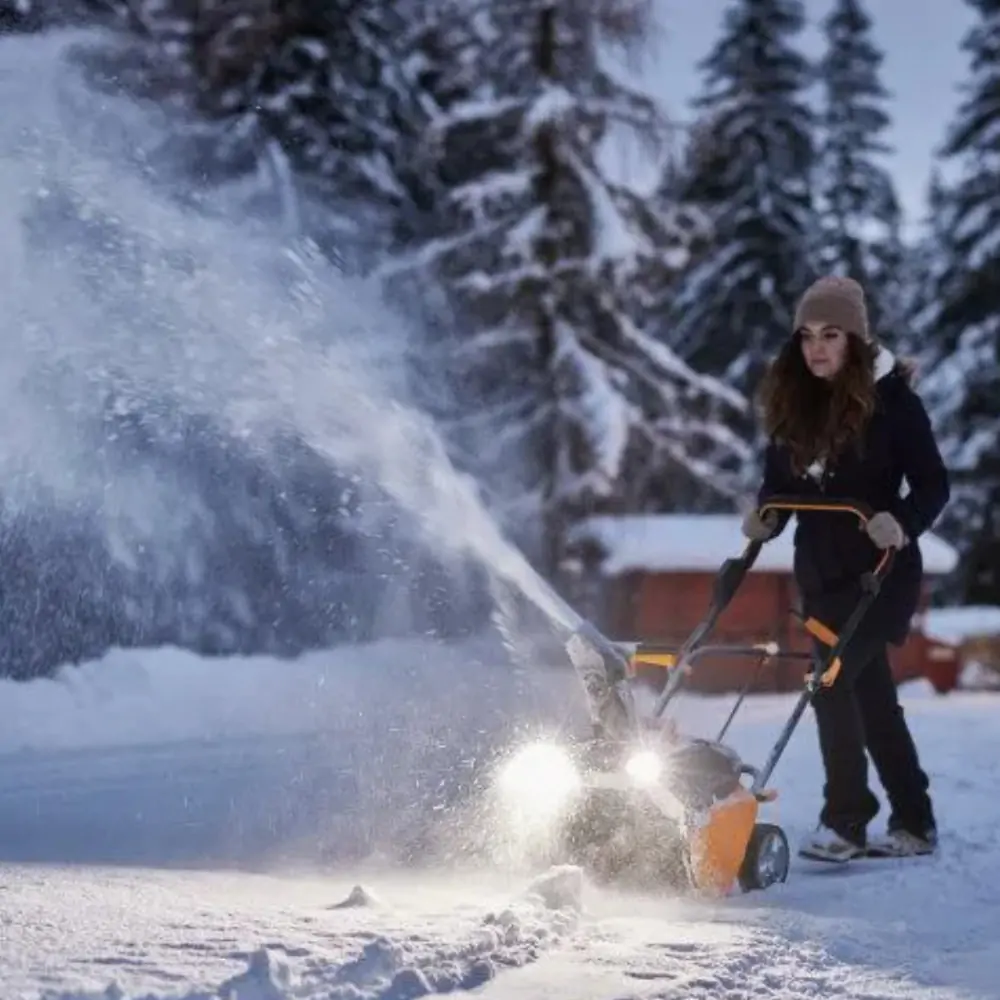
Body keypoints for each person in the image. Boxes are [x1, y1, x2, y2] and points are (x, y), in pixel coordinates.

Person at [741, 275, 950, 862]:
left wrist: (900, 520)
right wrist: (766, 518)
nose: (816, 348)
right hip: (823, 579)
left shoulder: (895, 404)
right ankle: (916, 821)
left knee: (829, 684)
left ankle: (846, 821)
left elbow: (935, 484)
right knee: (872, 700)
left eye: (831, 334)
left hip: (880, 572)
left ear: (855, 339)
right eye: (806, 336)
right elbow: (779, 485)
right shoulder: (795, 403)